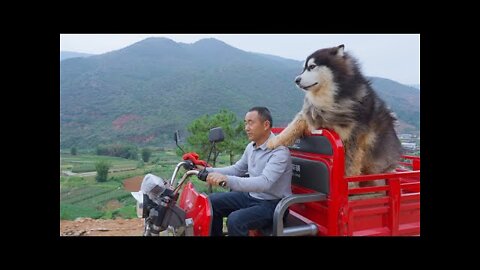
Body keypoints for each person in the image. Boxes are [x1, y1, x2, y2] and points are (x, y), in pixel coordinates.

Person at [198, 107, 292, 236]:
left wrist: (227, 180)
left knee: (236, 220)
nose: (246, 128)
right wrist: (207, 170)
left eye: (251, 122)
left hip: (273, 204)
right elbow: (237, 169)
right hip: (251, 197)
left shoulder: (279, 151)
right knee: (211, 202)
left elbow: (264, 183)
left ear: (266, 125)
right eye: (245, 123)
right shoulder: (251, 147)